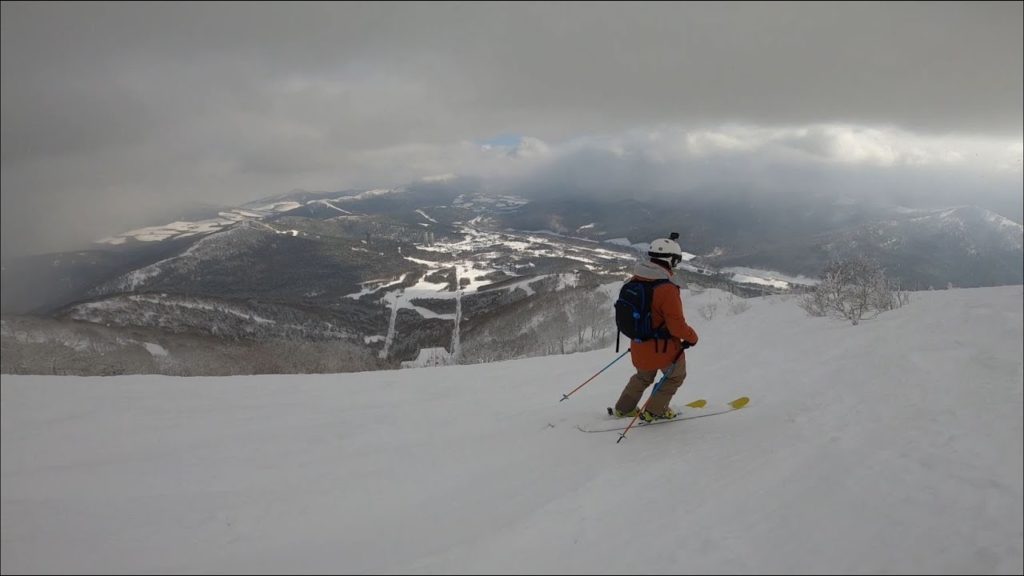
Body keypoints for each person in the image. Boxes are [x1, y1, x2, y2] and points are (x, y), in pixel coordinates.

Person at [613, 235, 699, 421]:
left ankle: (624, 408)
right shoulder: (666, 289)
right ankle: (655, 411)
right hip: (664, 349)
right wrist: (692, 337)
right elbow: (677, 326)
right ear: (670, 260)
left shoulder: (633, 281)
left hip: (639, 345)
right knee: (675, 376)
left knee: (643, 376)